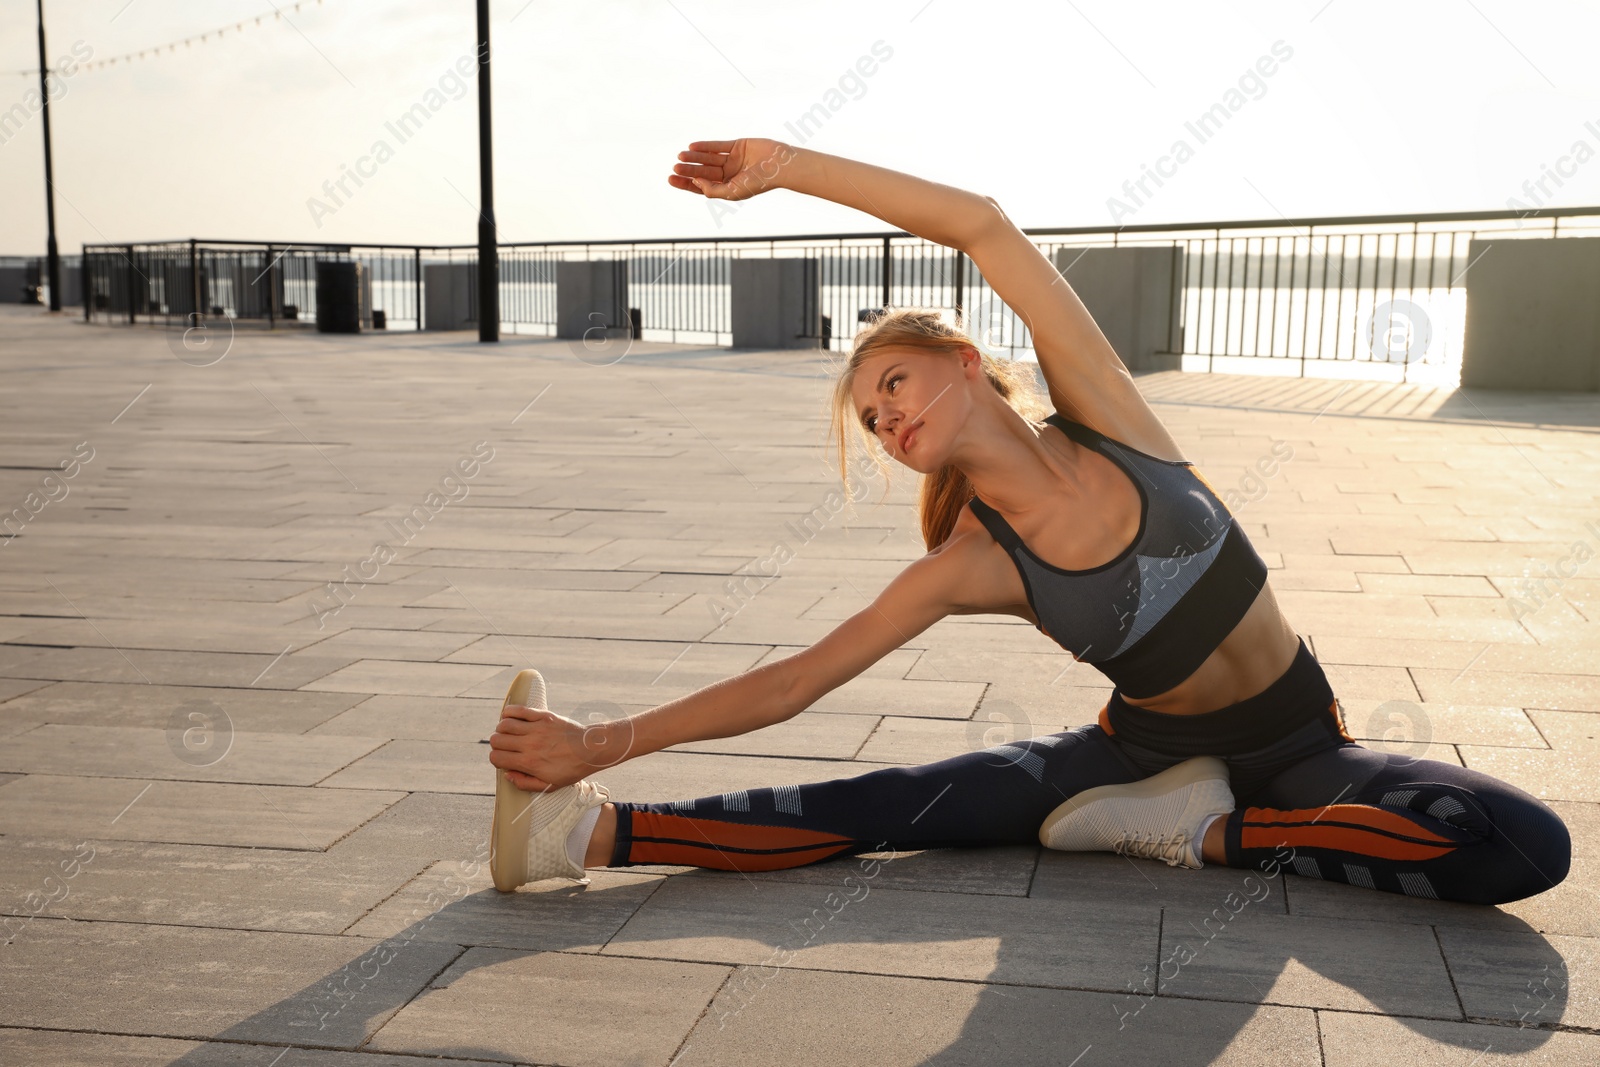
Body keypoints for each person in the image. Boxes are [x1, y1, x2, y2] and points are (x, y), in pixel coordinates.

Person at [486, 139, 1569, 906]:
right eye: (873, 422)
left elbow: (983, 225)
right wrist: (595, 744)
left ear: (965, 362)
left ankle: (1197, 832)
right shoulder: (973, 563)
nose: (888, 419)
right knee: (889, 804)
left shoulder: (1110, 416)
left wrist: (786, 167)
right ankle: (584, 833)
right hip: (1140, 753)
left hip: (1301, 742)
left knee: (1518, 842)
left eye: (894, 385)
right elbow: (793, 684)